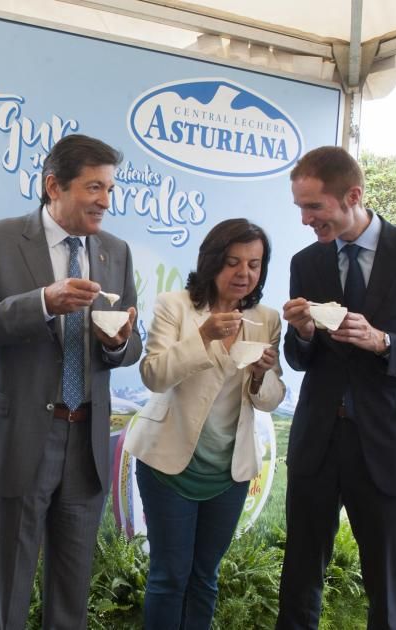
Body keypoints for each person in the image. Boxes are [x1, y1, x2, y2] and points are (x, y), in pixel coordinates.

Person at [0, 133, 142, 629]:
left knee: (71, 598)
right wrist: (42, 303)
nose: (104, 201)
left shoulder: (115, 252)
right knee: (7, 595)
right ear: (53, 186)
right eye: (93, 188)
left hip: (86, 444)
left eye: (109, 189)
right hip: (19, 442)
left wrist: (120, 342)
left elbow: (130, 343)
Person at [276, 146, 396, 630]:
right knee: (298, 586)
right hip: (317, 445)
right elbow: (302, 360)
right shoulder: (307, 262)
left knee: (387, 593)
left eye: (313, 207)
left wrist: (384, 342)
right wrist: (299, 334)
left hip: (390, 449)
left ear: (353, 196)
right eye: (300, 207)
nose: (304, 219)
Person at [123, 218, 286, 628]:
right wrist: (204, 336)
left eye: (254, 264)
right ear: (212, 261)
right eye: (233, 262)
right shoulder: (174, 306)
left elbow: (270, 397)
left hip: (227, 473)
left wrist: (263, 373)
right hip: (168, 463)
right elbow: (154, 375)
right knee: (169, 576)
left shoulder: (266, 319)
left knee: (204, 578)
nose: (244, 273)